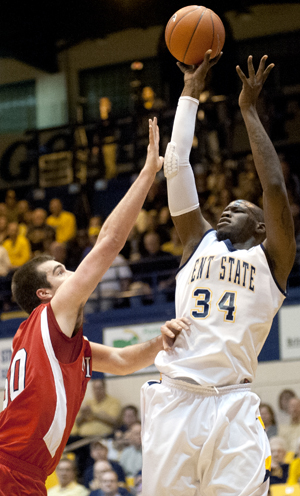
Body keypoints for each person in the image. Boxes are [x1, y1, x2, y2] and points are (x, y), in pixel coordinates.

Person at [0, 117, 190, 496]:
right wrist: (148, 172)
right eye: (60, 271)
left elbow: (124, 362)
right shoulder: (51, 317)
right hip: (12, 470)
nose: (72, 273)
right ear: (45, 294)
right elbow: (110, 241)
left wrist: (160, 341)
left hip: (26, 474)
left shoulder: (68, 345)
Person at [141, 52, 296, 496]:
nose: (228, 207)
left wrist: (248, 109)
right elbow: (176, 166)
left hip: (233, 403)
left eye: (242, 208)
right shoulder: (197, 241)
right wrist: (190, 91)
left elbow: (273, 188)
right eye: (227, 205)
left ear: (263, 226)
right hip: (176, 400)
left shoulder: (272, 262)